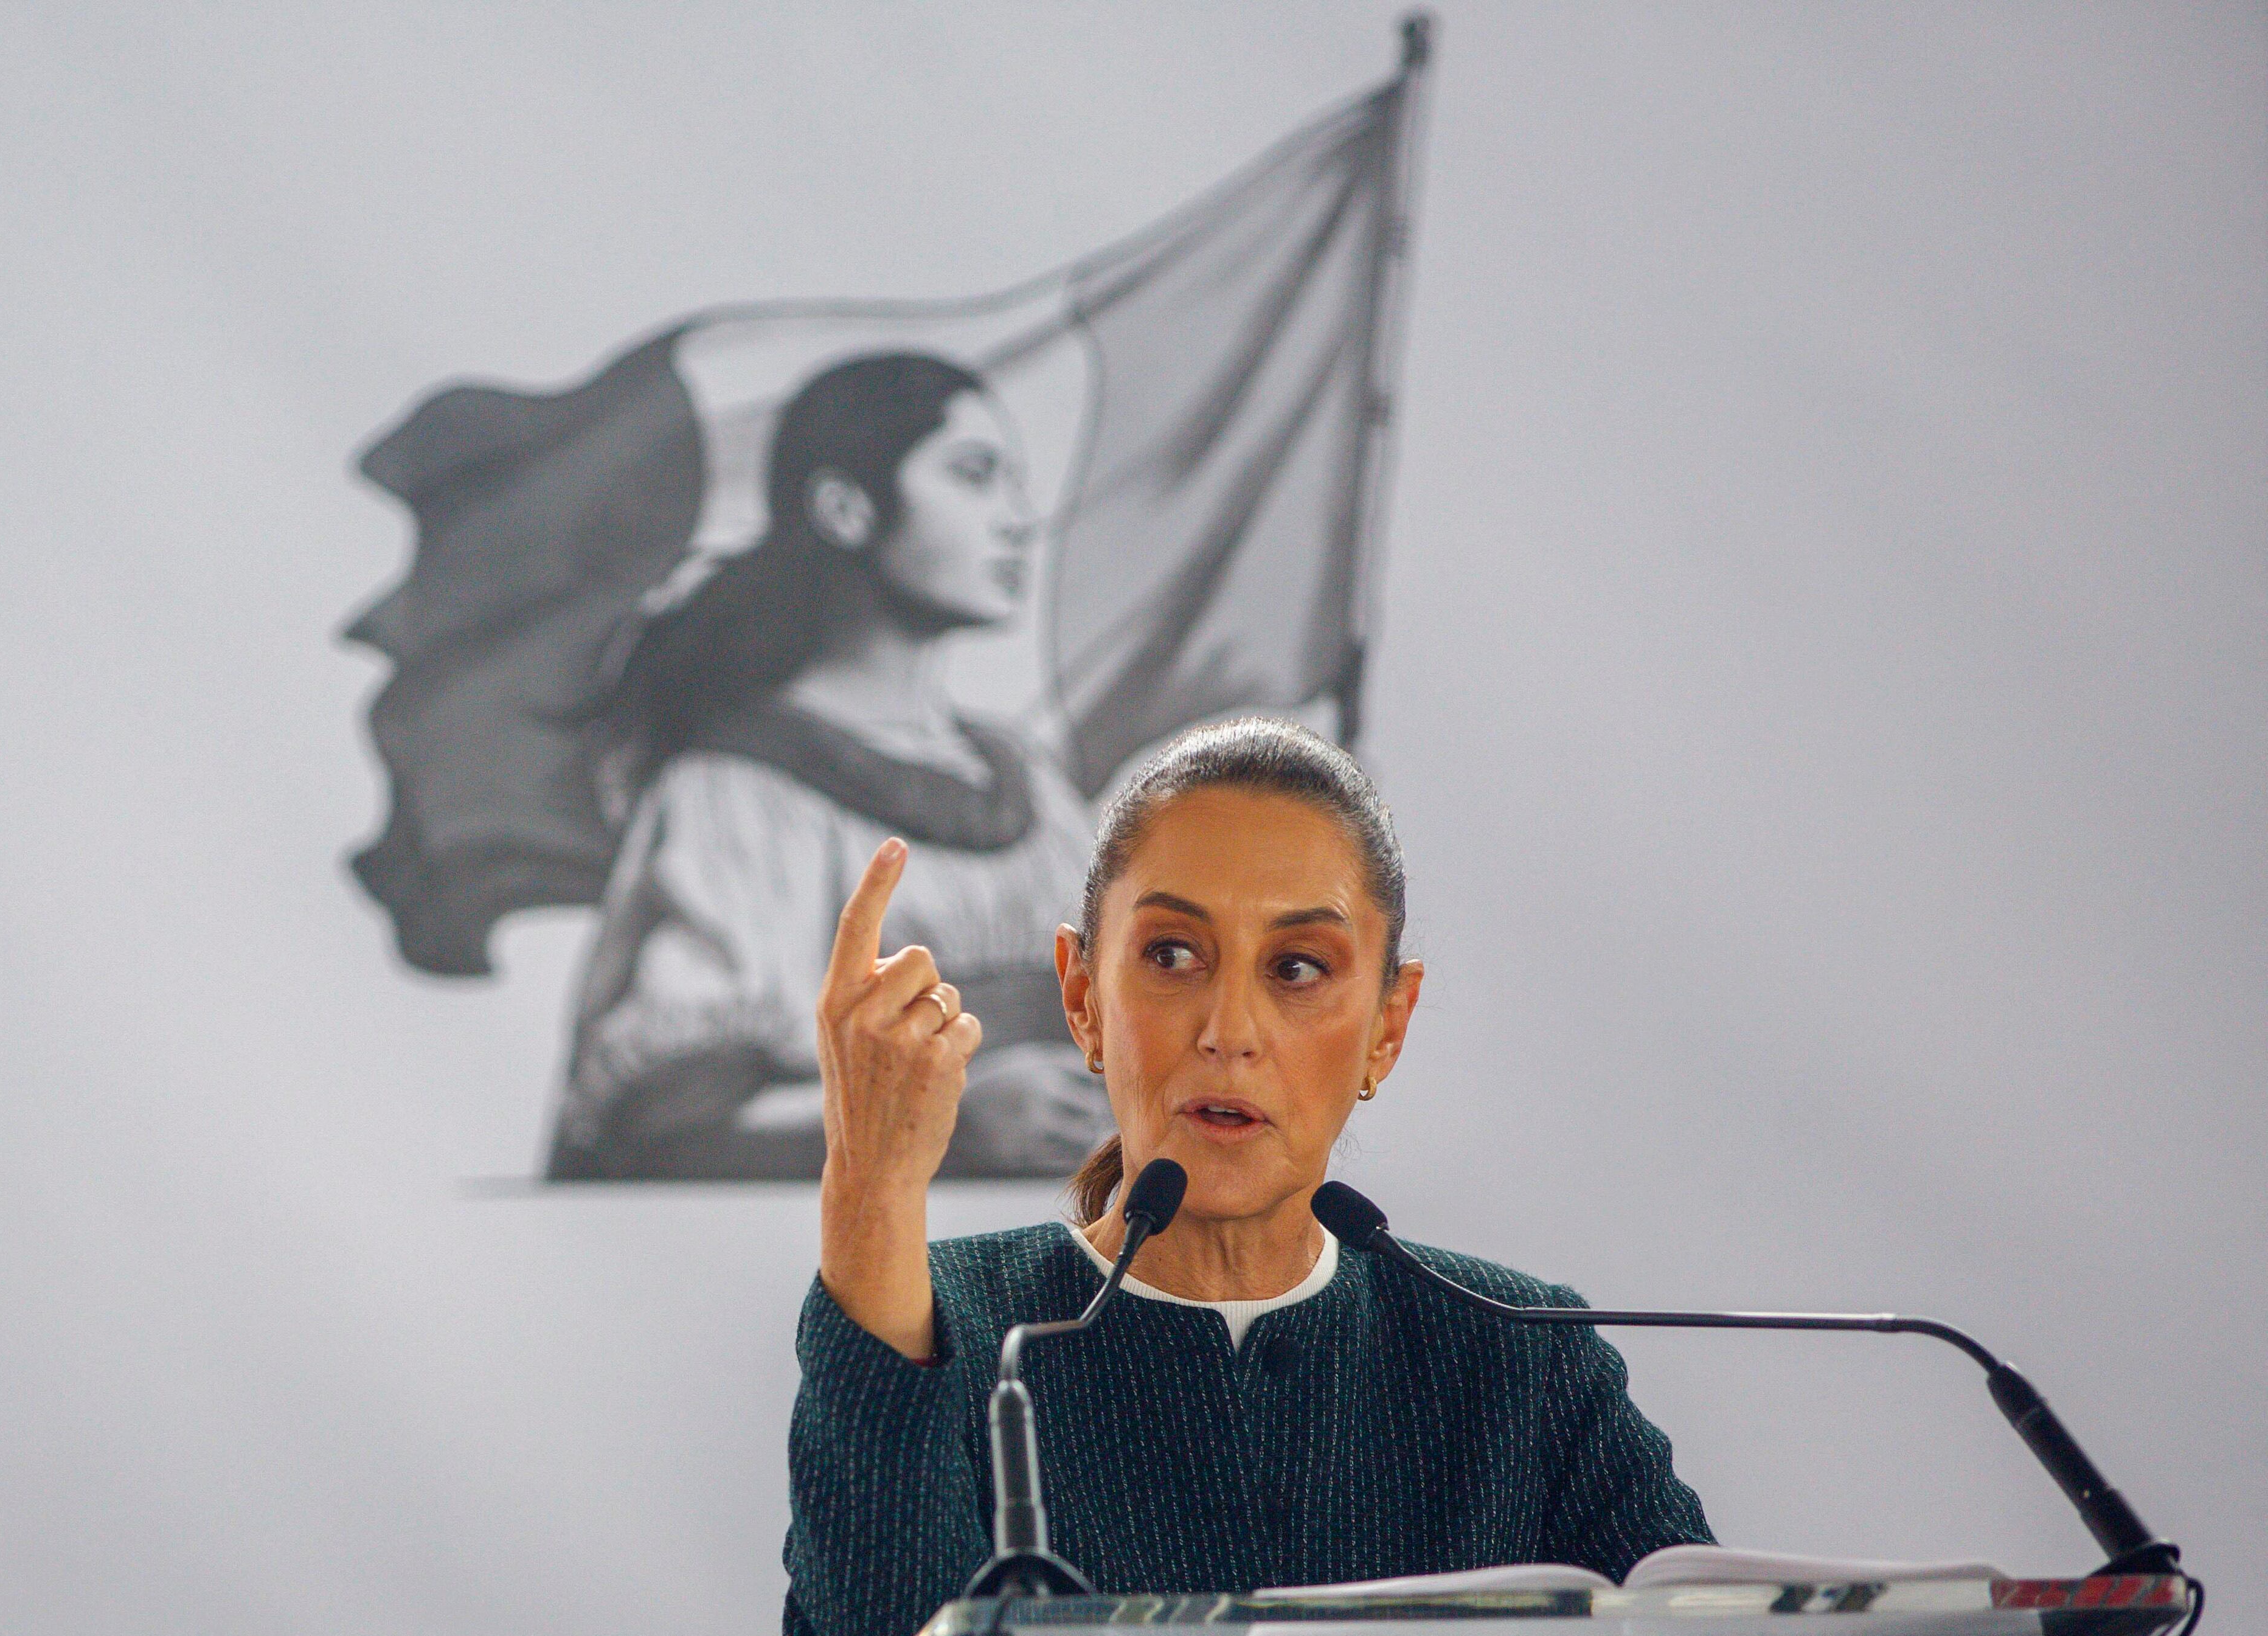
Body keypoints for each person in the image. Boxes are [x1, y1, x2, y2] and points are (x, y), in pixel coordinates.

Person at [786, 718, 1713, 1636]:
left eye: (1298, 967)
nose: (1229, 1029)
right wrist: (871, 1187)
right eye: (1172, 954)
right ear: (1082, 997)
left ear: (1388, 1025)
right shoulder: (952, 1330)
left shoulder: (1522, 1359)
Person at [547, 352, 1115, 1179]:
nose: (1019, 519)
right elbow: (667, 1123)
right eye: (973, 475)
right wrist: (943, 1120)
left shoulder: (1030, 782)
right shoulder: (735, 795)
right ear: (846, 509)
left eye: (1014, 483)